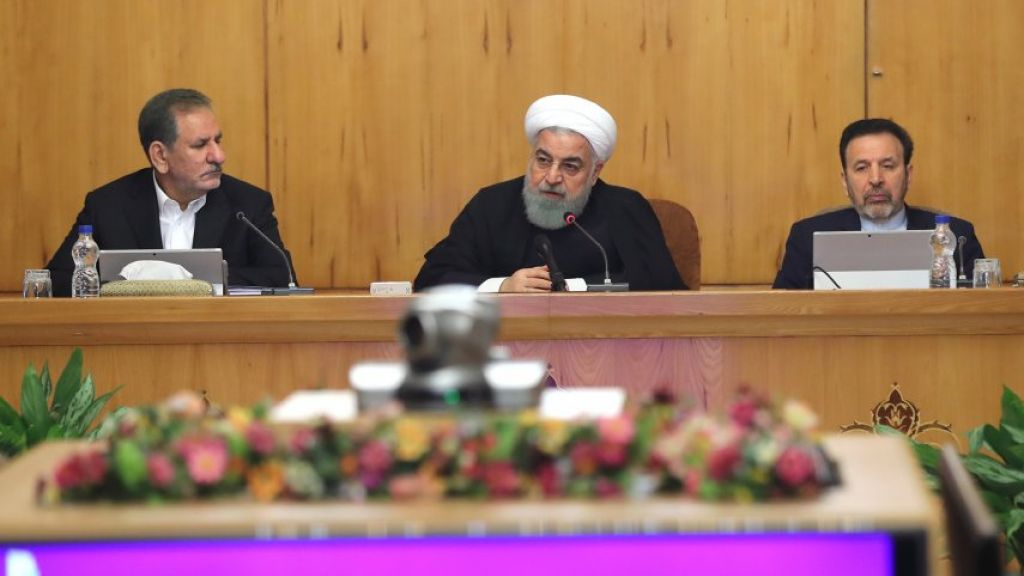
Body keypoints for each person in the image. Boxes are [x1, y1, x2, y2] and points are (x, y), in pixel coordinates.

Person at [413, 94, 685, 292]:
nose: (552, 177)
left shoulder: (624, 208)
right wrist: (503, 286)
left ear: (595, 172)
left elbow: (661, 285)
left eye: (570, 166)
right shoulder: (492, 205)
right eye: (543, 160)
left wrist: (569, 287)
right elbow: (432, 279)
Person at [46, 88, 294, 296]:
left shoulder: (247, 204)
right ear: (160, 156)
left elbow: (283, 277)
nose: (219, 156)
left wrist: (192, 279)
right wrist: (133, 281)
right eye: (200, 145)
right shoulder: (108, 206)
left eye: (217, 141)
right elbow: (57, 281)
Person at [773, 118, 984, 289]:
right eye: (862, 168)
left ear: (908, 175)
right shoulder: (807, 238)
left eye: (888, 166)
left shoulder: (958, 236)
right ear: (845, 181)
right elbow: (781, 316)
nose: (875, 179)